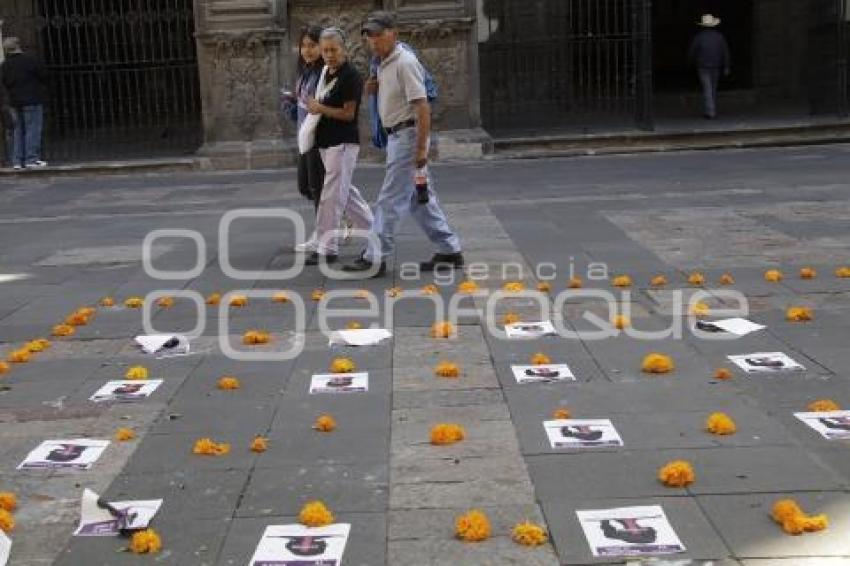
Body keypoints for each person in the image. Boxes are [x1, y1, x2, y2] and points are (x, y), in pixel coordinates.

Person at [343, 11, 463, 277]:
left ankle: (375, 256)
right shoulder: (383, 63)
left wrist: (421, 149)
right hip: (398, 136)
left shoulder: (404, 62)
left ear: (392, 33)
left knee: (390, 198)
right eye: (368, 36)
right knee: (420, 199)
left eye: (377, 35)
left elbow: (422, 107)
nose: (372, 41)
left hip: (408, 137)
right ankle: (449, 248)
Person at [303, 27, 374, 266]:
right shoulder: (325, 72)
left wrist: (319, 108)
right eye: (325, 50)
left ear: (343, 48)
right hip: (326, 141)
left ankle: (328, 247)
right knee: (346, 193)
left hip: (343, 141)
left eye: (334, 49)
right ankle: (376, 233)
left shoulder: (350, 75)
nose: (329, 55)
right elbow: (320, 103)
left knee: (331, 196)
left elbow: (348, 114)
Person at [282, 25, 326, 244]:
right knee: (306, 186)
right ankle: (341, 214)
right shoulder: (304, 73)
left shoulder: (323, 73)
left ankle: (323, 232)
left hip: (318, 137)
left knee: (318, 187)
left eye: (312, 45)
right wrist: (290, 104)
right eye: (304, 46)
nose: (307, 51)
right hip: (304, 136)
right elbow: (300, 108)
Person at [0, 37, 48, 169]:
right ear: (18, 46)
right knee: (32, 129)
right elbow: (43, 76)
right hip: (32, 99)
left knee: (18, 131)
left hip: (15, 101)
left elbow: (4, 82)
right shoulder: (30, 60)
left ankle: (17, 161)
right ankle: (31, 159)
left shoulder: (5, 65)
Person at [688, 14, 731, 120]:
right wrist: (726, 66)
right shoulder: (719, 37)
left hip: (703, 66)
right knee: (713, 88)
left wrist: (690, 62)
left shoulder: (699, 37)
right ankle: (711, 109)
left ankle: (710, 111)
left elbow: (692, 51)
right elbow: (725, 52)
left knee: (707, 88)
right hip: (716, 66)